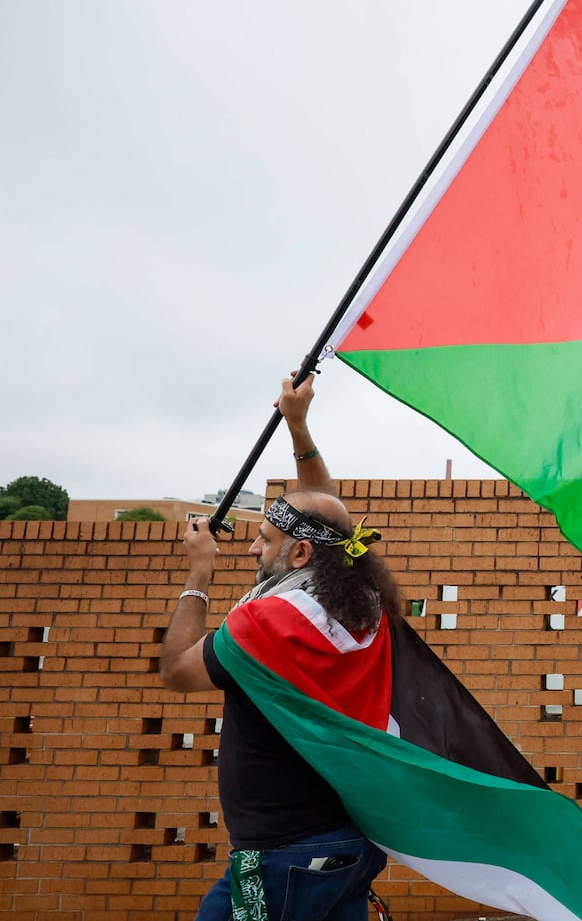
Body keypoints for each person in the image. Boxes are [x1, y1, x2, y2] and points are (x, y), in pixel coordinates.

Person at [160, 374, 399, 921]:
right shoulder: (358, 599)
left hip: (286, 856)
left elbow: (176, 670)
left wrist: (199, 573)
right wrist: (298, 427)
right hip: (344, 844)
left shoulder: (271, 621)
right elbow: (324, 509)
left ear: (298, 557)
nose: (250, 548)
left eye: (264, 540)